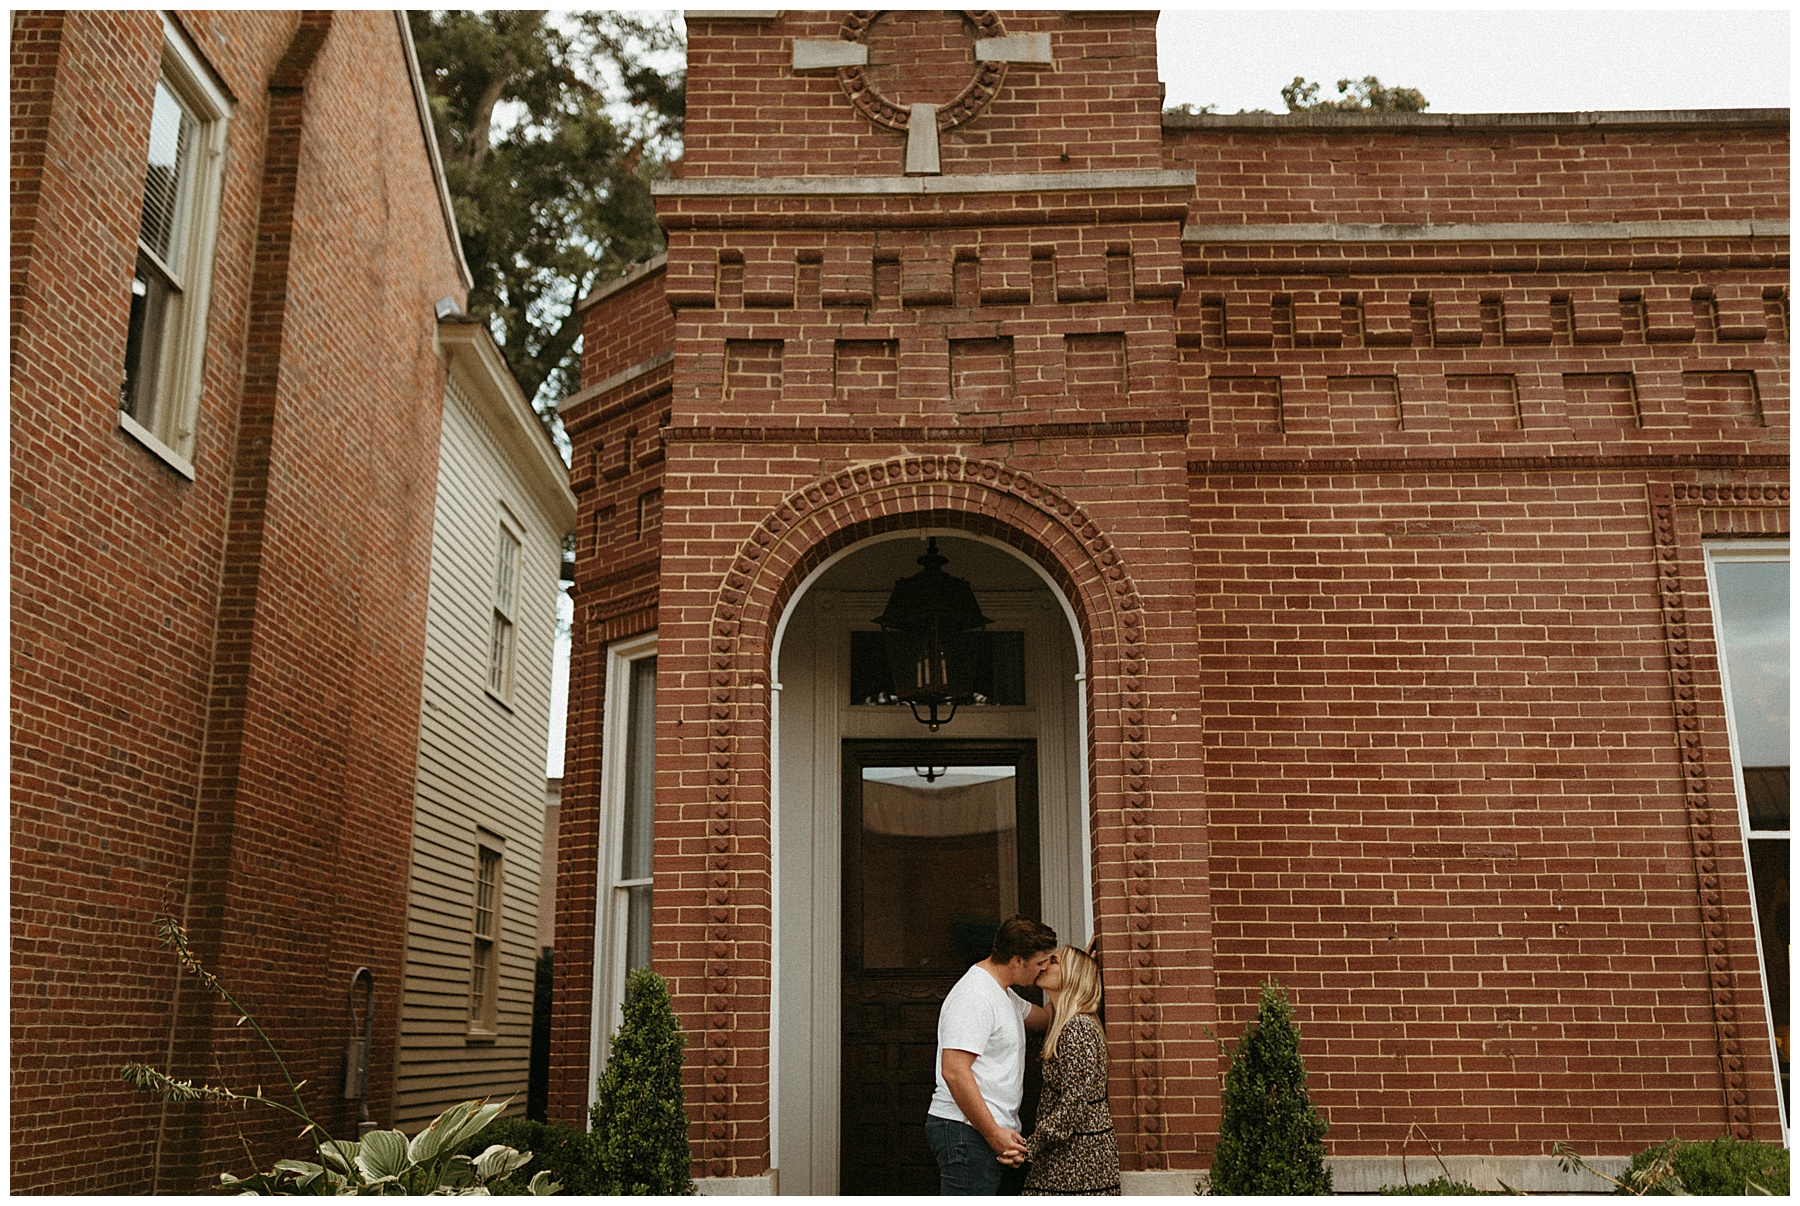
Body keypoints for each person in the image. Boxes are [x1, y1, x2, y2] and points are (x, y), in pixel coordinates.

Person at [925, 914, 1059, 1195]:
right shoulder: (975, 995)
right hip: (966, 1131)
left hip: (989, 1131)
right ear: (1017, 961)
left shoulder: (1004, 995)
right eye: (1039, 963)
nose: (1044, 968)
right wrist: (993, 1134)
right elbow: (954, 1071)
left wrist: (1078, 972)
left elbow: (1047, 1019)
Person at [1022, 945, 1119, 1196]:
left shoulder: (1078, 1028)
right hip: (1069, 1159)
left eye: (1053, 961)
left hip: (1078, 1162)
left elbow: (1073, 1105)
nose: (1043, 965)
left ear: (1072, 975)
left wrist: (1029, 1148)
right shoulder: (1068, 1023)